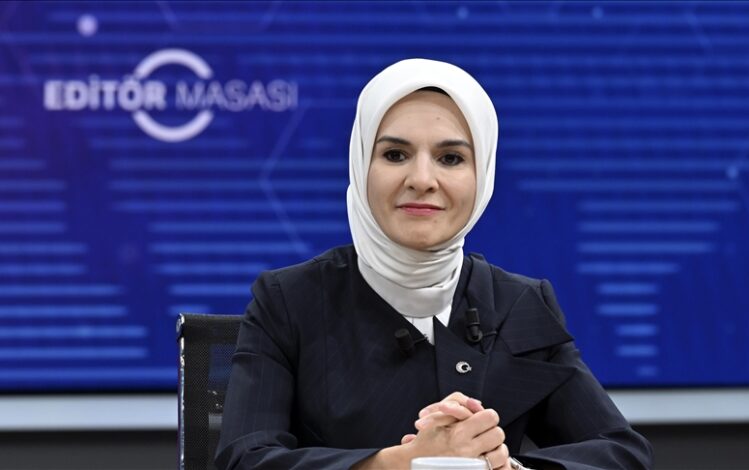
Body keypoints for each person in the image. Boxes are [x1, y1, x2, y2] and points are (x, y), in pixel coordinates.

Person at [215, 59, 653, 470]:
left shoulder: (518, 305)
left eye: (451, 159)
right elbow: (244, 458)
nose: (422, 180)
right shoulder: (289, 301)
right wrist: (403, 462)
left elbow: (621, 453)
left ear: (483, 176)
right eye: (395, 154)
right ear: (361, 164)